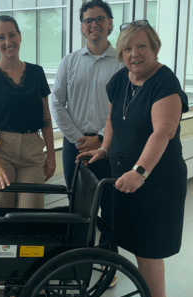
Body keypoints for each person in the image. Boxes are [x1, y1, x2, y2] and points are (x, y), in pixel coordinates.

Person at [77, 20, 189, 297]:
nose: (134, 54)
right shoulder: (120, 79)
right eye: (127, 48)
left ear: (155, 48)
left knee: (148, 251)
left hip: (155, 182)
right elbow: (111, 119)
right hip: (124, 179)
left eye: (141, 46)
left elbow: (164, 131)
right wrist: (104, 148)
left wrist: (139, 172)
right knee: (132, 241)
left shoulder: (165, 82)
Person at [51, 0, 123, 257]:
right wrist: (79, 138)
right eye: (88, 21)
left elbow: (125, 108)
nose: (94, 25)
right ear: (82, 27)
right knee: (78, 206)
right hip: (76, 148)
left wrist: (102, 139)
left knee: (111, 206)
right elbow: (57, 102)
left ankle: (107, 260)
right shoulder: (69, 62)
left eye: (100, 19)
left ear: (110, 23)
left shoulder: (122, 63)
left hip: (110, 148)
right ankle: (79, 259)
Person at [0, 15, 55, 208]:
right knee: (4, 215)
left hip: (32, 151)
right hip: (1, 151)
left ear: (19, 36)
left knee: (31, 216)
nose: (8, 42)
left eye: (12, 35)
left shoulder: (37, 72)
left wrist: (50, 154)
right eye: (1, 37)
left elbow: (46, 118)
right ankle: (6, 241)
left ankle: (27, 240)